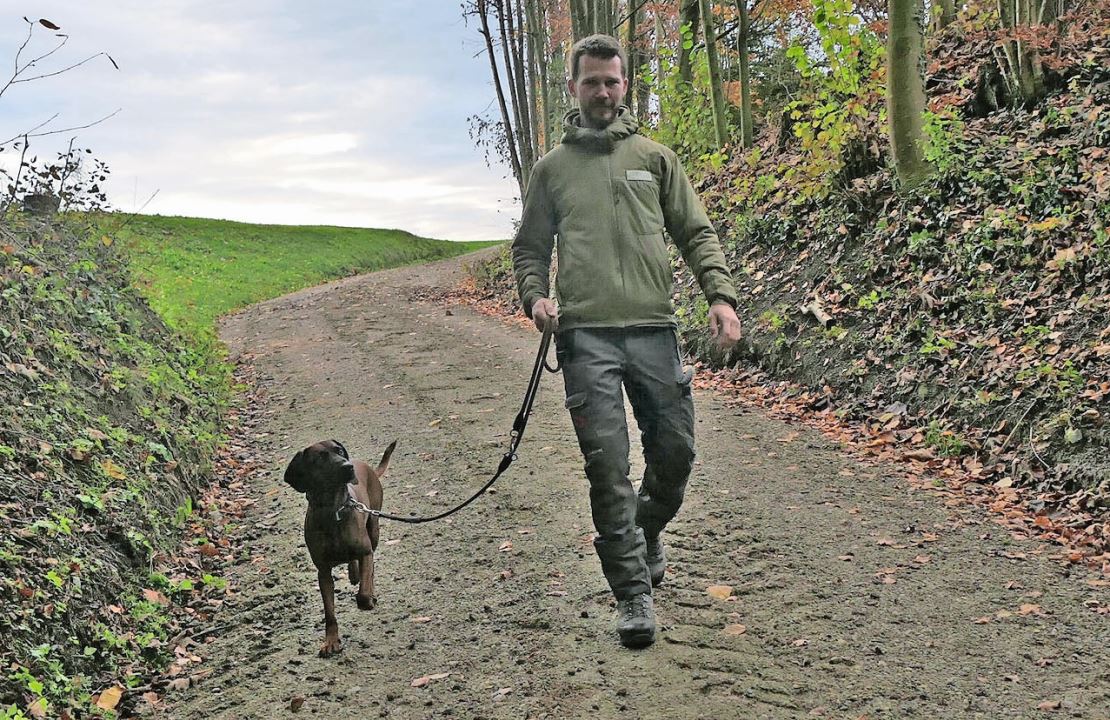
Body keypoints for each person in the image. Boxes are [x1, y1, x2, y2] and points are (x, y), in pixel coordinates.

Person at [511, 33, 742, 649]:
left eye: (612, 81)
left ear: (625, 84)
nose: (603, 91)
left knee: (676, 453)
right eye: (592, 81)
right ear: (573, 88)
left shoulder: (656, 158)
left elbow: (696, 231)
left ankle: (647, 528)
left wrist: (719, 295)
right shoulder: (551, 171)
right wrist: (536, 299)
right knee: (607, 467)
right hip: (585, 338)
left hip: (653, 331)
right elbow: (529, 250)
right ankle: (633, 594)